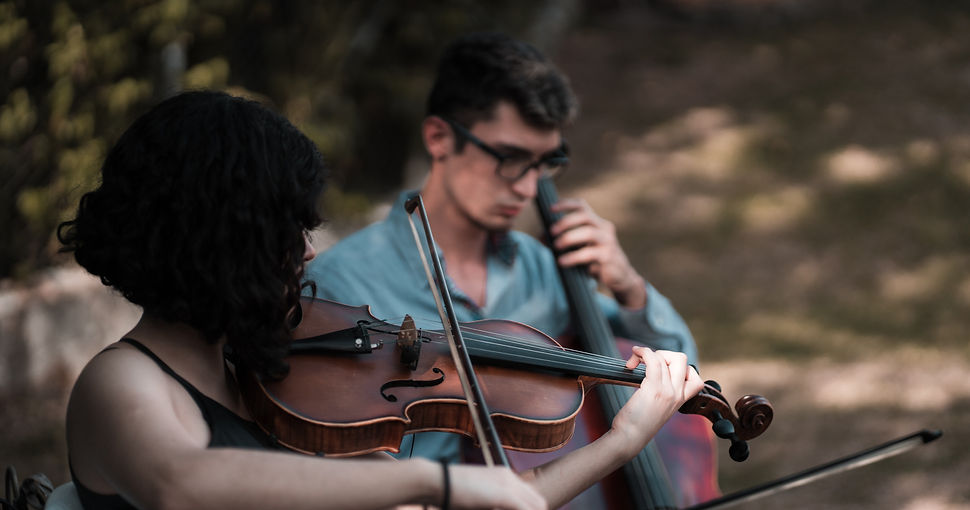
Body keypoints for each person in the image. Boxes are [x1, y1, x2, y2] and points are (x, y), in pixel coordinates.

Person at [57, 90, 702, 510]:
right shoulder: (121, 382)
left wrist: (619, 441)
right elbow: (180, 485)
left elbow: (499, 501)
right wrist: (435, 478)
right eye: (287, 233)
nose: (307, 253)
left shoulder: (279, 384)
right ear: (221, 240)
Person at [306, 32, 712, 506]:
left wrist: (628, 287)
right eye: (511, 159)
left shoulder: (542, 266)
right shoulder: (338, 285)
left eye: (545, 163)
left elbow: (681, 372)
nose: (528, 187)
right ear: (439, 137)